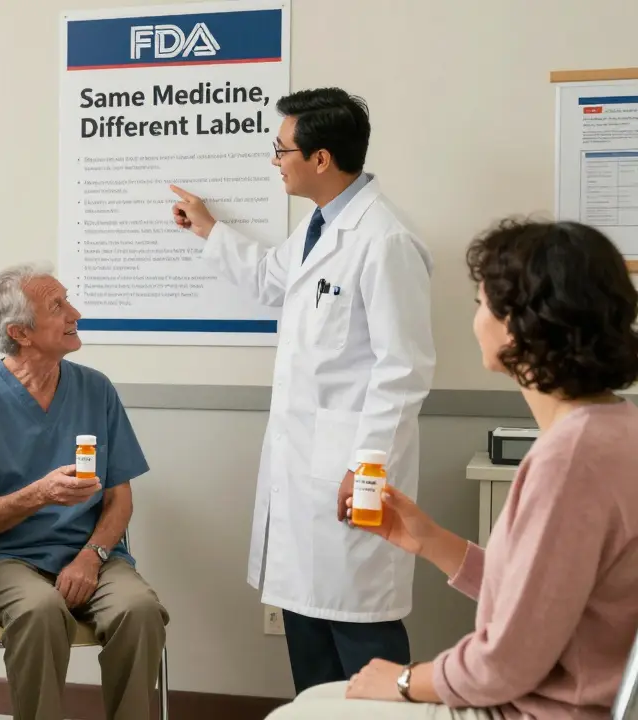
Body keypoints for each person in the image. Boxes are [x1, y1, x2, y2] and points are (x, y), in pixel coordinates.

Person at [269, 219, 638, 718]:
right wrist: (432, 541)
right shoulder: (616, 428)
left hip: (536, 710)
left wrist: (403, 678)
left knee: (303, 711)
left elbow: (504, 664)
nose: (474, 319)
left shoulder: (569, 462)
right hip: (561, 694)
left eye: (481, 304)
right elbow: (541, 603)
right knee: (319, 700)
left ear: (521, 325)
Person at [170, 87, 435, 692]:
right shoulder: (319, 227)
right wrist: (209, 228)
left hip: (351, 478)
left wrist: (365, 468)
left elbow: (405, 370)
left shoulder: (384, 240)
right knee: (309, 643)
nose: (274, 160)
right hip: (302, 477)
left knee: (363, 639)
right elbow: (272, 280)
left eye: (281, 148)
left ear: (320, 159)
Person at [0, 263, 169, 720]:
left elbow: (120, 498)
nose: (74, 313)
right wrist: (39, 494)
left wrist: (91, 556)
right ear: (20, 332)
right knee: (40, 612)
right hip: (0, 561)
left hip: (91, 556)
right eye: (58, 306)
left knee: (139, 610)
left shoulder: (94, 389)